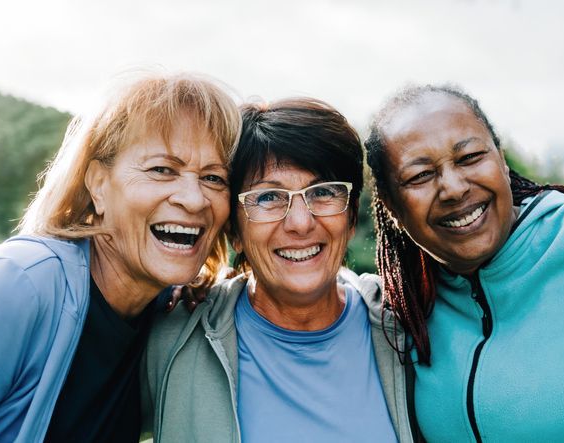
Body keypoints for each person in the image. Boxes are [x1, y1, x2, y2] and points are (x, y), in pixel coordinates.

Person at [364, 84, 564, 442]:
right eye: (420, 176)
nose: (454, 188)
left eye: (469, 157)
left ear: (502, 160)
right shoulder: (404, 309)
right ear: (391, 205)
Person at [0, 73, 240, 442]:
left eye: (214, 178)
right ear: (98, 184)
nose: (194, 199)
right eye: (161, 170)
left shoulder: (167, 314)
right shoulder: (21, 283)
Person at [143, 98, 413, 442]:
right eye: (268, 197)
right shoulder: (173, 336)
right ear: (234, 231)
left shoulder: (407, 326)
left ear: (349, 217)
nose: (300, 223)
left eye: (323, 192)